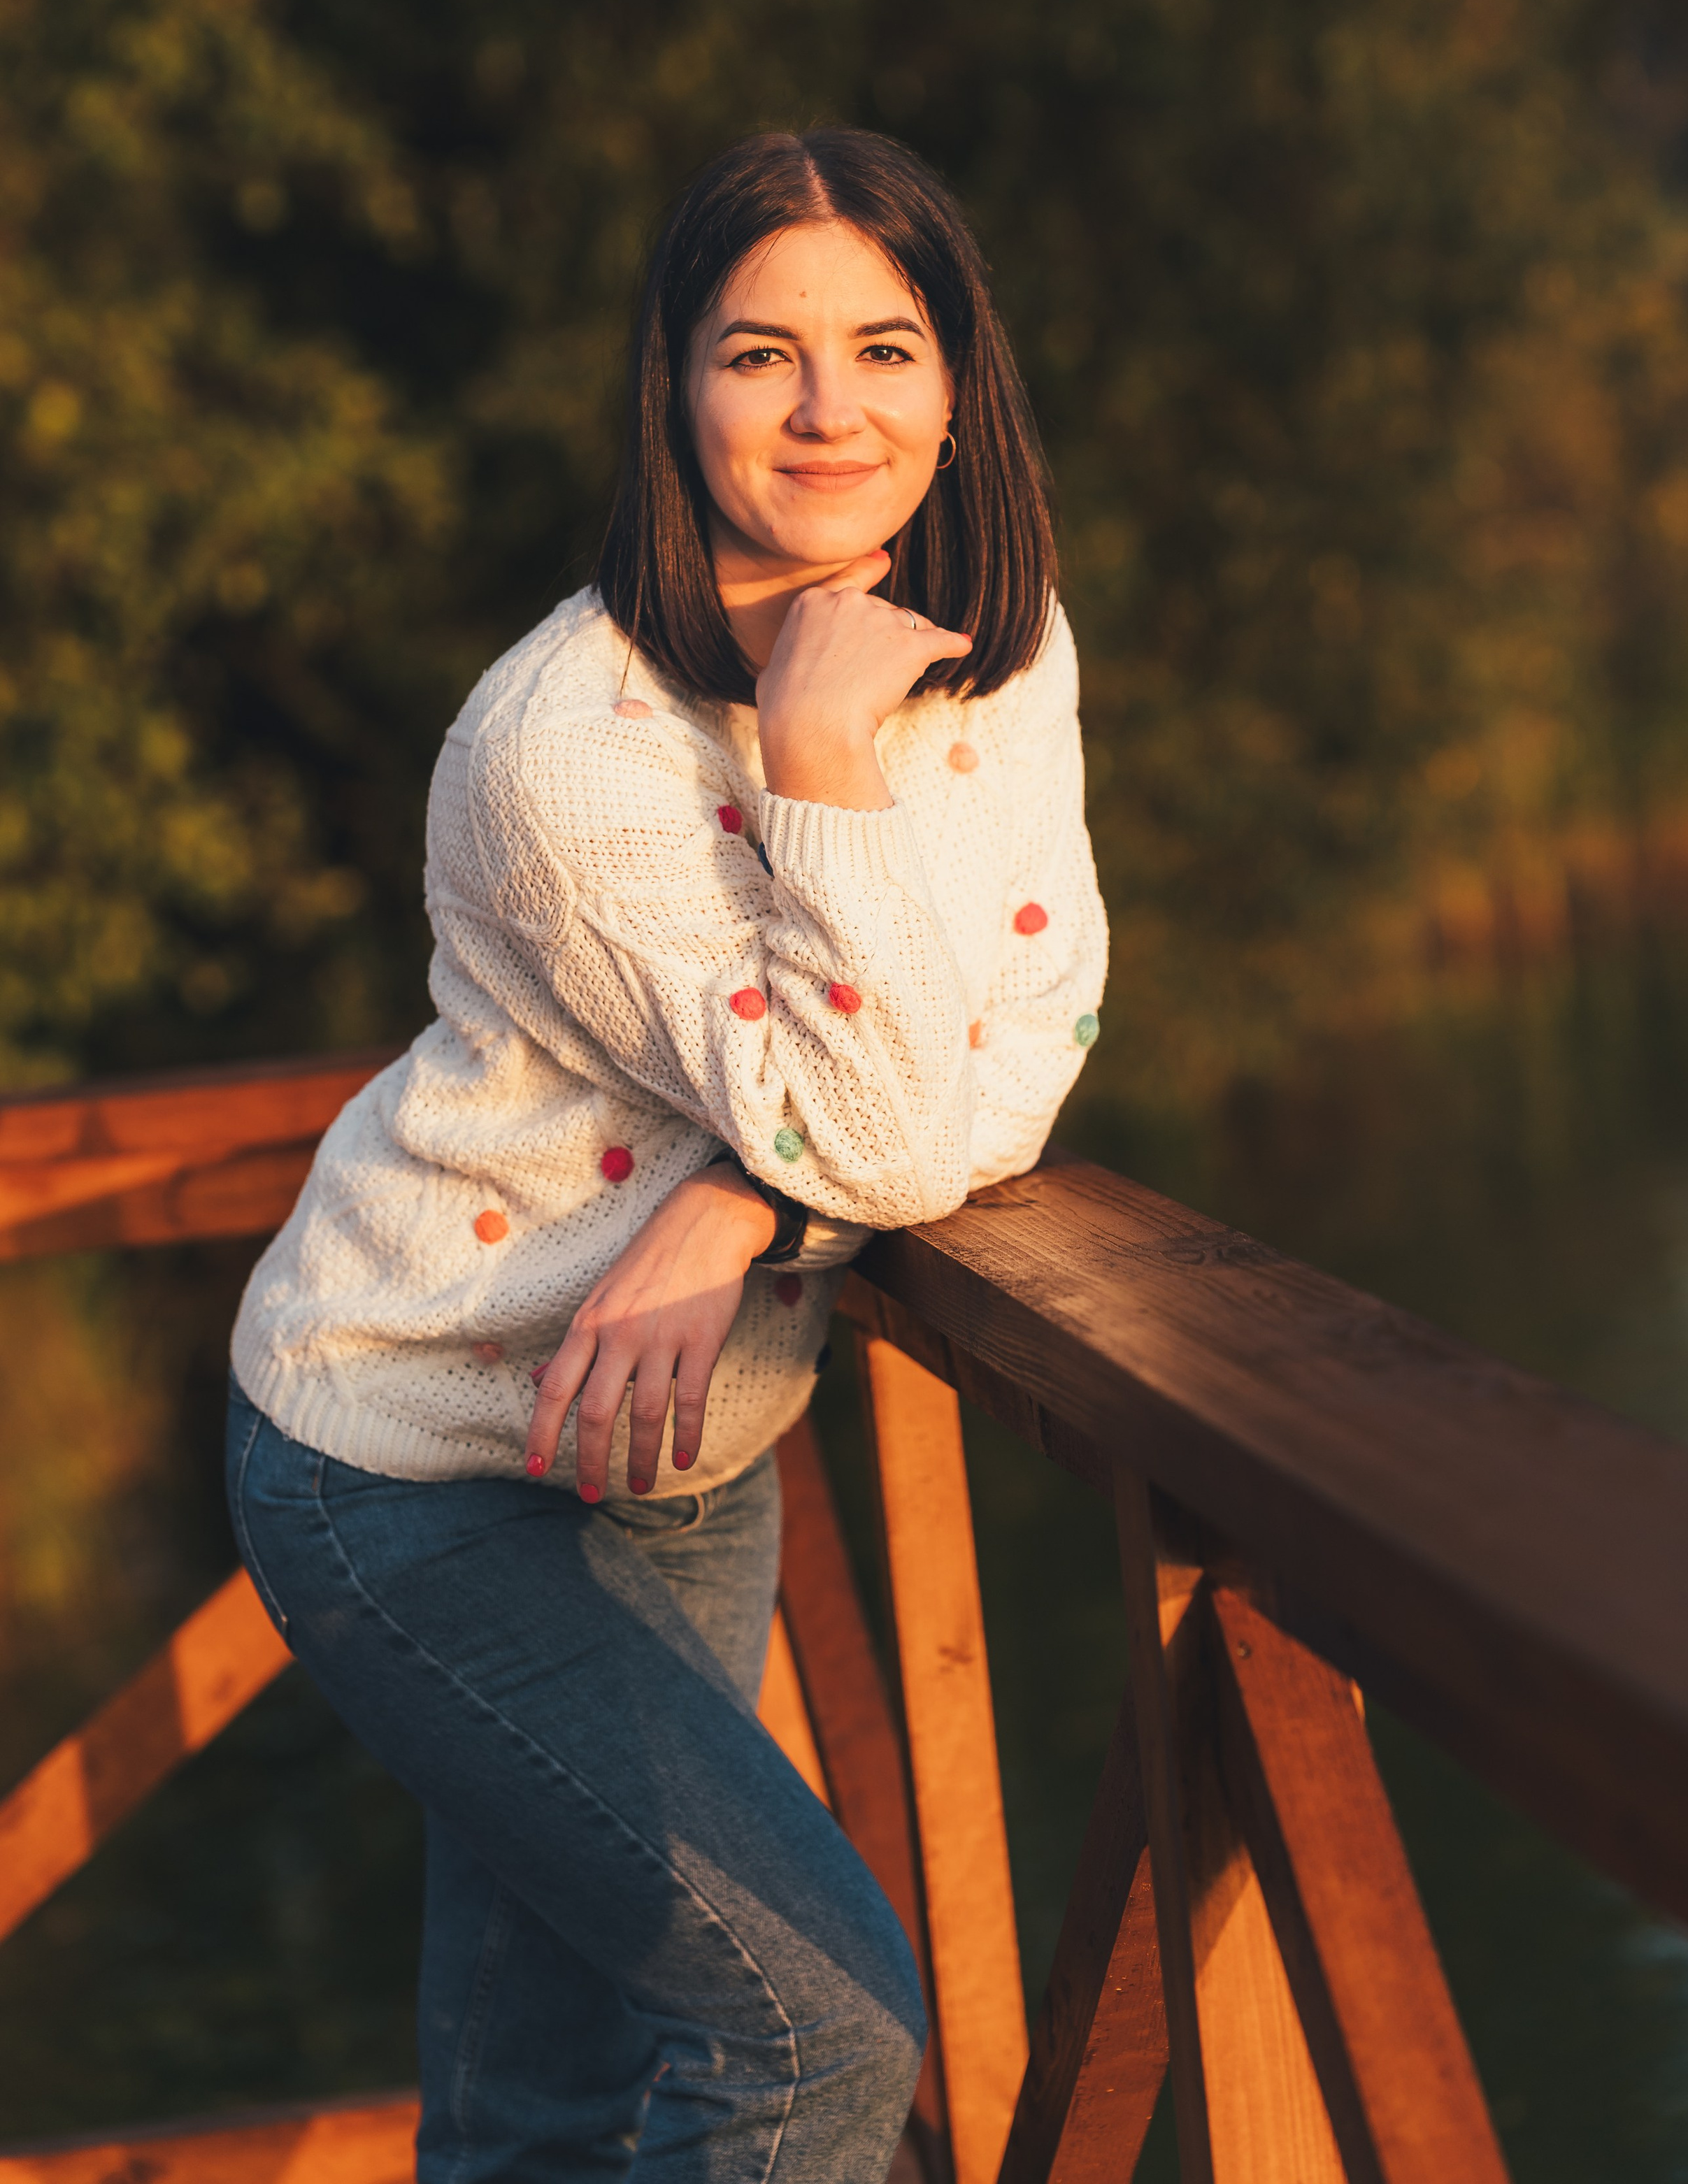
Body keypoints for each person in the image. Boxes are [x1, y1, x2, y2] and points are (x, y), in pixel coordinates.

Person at [225, 126, 1108, 2183]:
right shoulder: (575, 752)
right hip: (413, 1452)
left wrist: (752, 1193)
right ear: (676, 386)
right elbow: (899, 1110)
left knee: (555, 2092)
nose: (831, 412)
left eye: (885, 349)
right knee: (815, 2030)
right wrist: (812, 755)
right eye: (758, 354)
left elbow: (1034, 1046)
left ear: (959, 382)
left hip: (678, 1442)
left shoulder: (1005, 649)